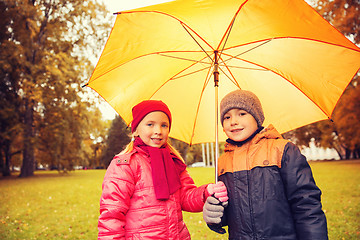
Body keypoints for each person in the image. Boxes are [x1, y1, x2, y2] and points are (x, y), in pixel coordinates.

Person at [203, 90, 328, 239]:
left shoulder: (282, 150)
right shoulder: (223, 162)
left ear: (257, 117)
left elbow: (306, 204)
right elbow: (228, 214)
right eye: (226, 117)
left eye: (242, 114)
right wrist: (214, 212)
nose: (233, 121)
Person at [98, 100, 228, 239]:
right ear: (135, 129)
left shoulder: (173, 161)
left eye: (164, 125)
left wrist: (206, 192)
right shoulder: (125, 164)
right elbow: (112, 215)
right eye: (150, 124)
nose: (158, 131)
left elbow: (185, 198)